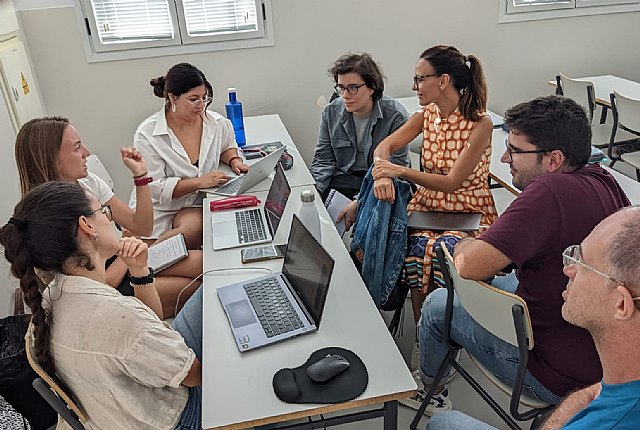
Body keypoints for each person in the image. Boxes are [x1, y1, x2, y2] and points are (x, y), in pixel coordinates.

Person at [412, 95, 630, 416]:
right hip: (603, 364)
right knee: (509, 274)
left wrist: (461, 243)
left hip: (553, 377)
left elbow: (469, 265)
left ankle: (430, 392)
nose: (503, 158)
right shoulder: (605, 179)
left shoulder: (547, 191)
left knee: (436, 305)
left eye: (514, 150)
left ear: (553, 159)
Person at [0, 181, 203, 429]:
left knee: (209, 296)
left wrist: (138, 270)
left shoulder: (53, 296)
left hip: (118, 414)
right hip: (177, 419)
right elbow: (194, 375)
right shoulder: (117, 315)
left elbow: (149, 325)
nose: (110, 220)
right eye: (104, 212)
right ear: (86, 226)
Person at [427, 206, 640, 430]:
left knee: (442, 422)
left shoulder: (608, 422)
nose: (568, 270)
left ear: (621, 304)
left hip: (549, 376)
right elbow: (596, 390)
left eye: (583, 264)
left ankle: (429, 389)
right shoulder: (626, 374)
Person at [342, 45, 497, 324]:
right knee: (415, 251)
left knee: (441, 254)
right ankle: (426, 333)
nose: (415, 87)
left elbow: (452, 183)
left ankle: (446, 331)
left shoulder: (480, 124)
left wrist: (399, 171)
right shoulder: (426, 116)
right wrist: (383, 175)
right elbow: (383, 147)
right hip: (428, 207)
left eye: (420, 79)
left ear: (443, 80)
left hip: (468, 212)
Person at [14, 116, 202, 318]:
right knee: (198, 288)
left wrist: (141, 177)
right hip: (112, 284)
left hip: (123, 259)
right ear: (52, 158)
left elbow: (141, 226)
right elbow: (96, 285)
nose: (87, 153)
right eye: (77, 148)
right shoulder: (48, 219)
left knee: (206, 265)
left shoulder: (86, 182)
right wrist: (128, 255)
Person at [134, 62, 249, 248]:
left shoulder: (217, 123)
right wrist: (200, 182)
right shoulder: (147, 134)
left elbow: (227, 145)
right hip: (159, 209)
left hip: (193, 205)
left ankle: (145, 265)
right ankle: (143, 264)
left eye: (205, 97)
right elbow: (155, 187)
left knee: (195, 228)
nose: (201, 105)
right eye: (193, 99)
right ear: (172, 98)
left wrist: (234, 160)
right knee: (185, 247)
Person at [310, 53, 410, 201]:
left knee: (373, 214)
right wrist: (313, 194)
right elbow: (323, 160)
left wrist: (359, 202)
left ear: (372, 87)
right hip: (343, 180)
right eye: (341, 88)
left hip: (380, 182)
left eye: (352, 88)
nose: (345, 95)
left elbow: (397, 168)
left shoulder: (396, 116)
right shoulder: (330, 112)